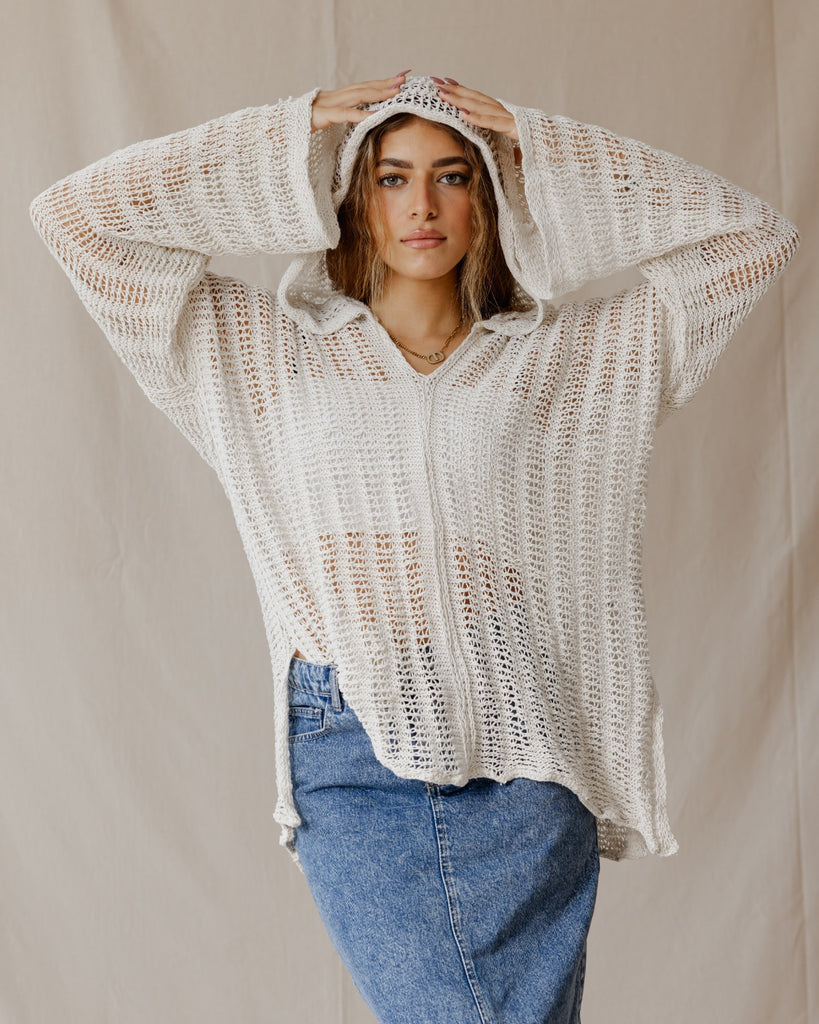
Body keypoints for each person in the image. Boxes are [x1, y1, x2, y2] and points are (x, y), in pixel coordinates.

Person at [30, 71, 799, 1023]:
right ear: (352, 201)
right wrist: (295, 130)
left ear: (490, 198)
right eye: (391, 178)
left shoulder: (563, 362)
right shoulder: (263, 351)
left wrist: (541, 145)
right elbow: (78, 219)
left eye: (452, 176)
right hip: (351, 751)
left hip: (524, 754)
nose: (422, 205)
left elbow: (749, 238)